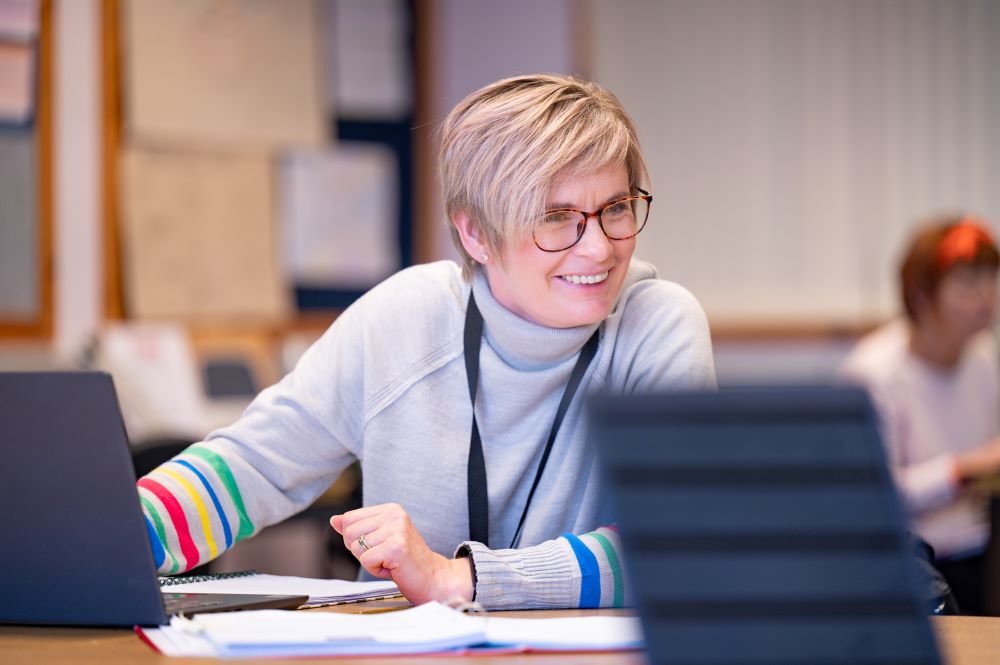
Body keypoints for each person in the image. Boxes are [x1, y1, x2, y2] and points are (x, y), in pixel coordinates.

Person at [136, 74, 716, 609]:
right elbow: (256, 465)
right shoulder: (407, 315)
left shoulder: (657, 327)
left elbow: (675, 544)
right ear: (475, 232)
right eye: (556, 217)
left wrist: (454, 578)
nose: (599, 247)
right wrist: (115, 536)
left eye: (615, 208)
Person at [839, 215, 1000, 614]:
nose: (985, 297)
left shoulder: (982, 355)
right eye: (967, 283)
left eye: (990, 279)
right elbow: (874, 495)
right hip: (905, 563)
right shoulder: (873, 372)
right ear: (923, 296)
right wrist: (963, 469)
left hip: (976, 546)